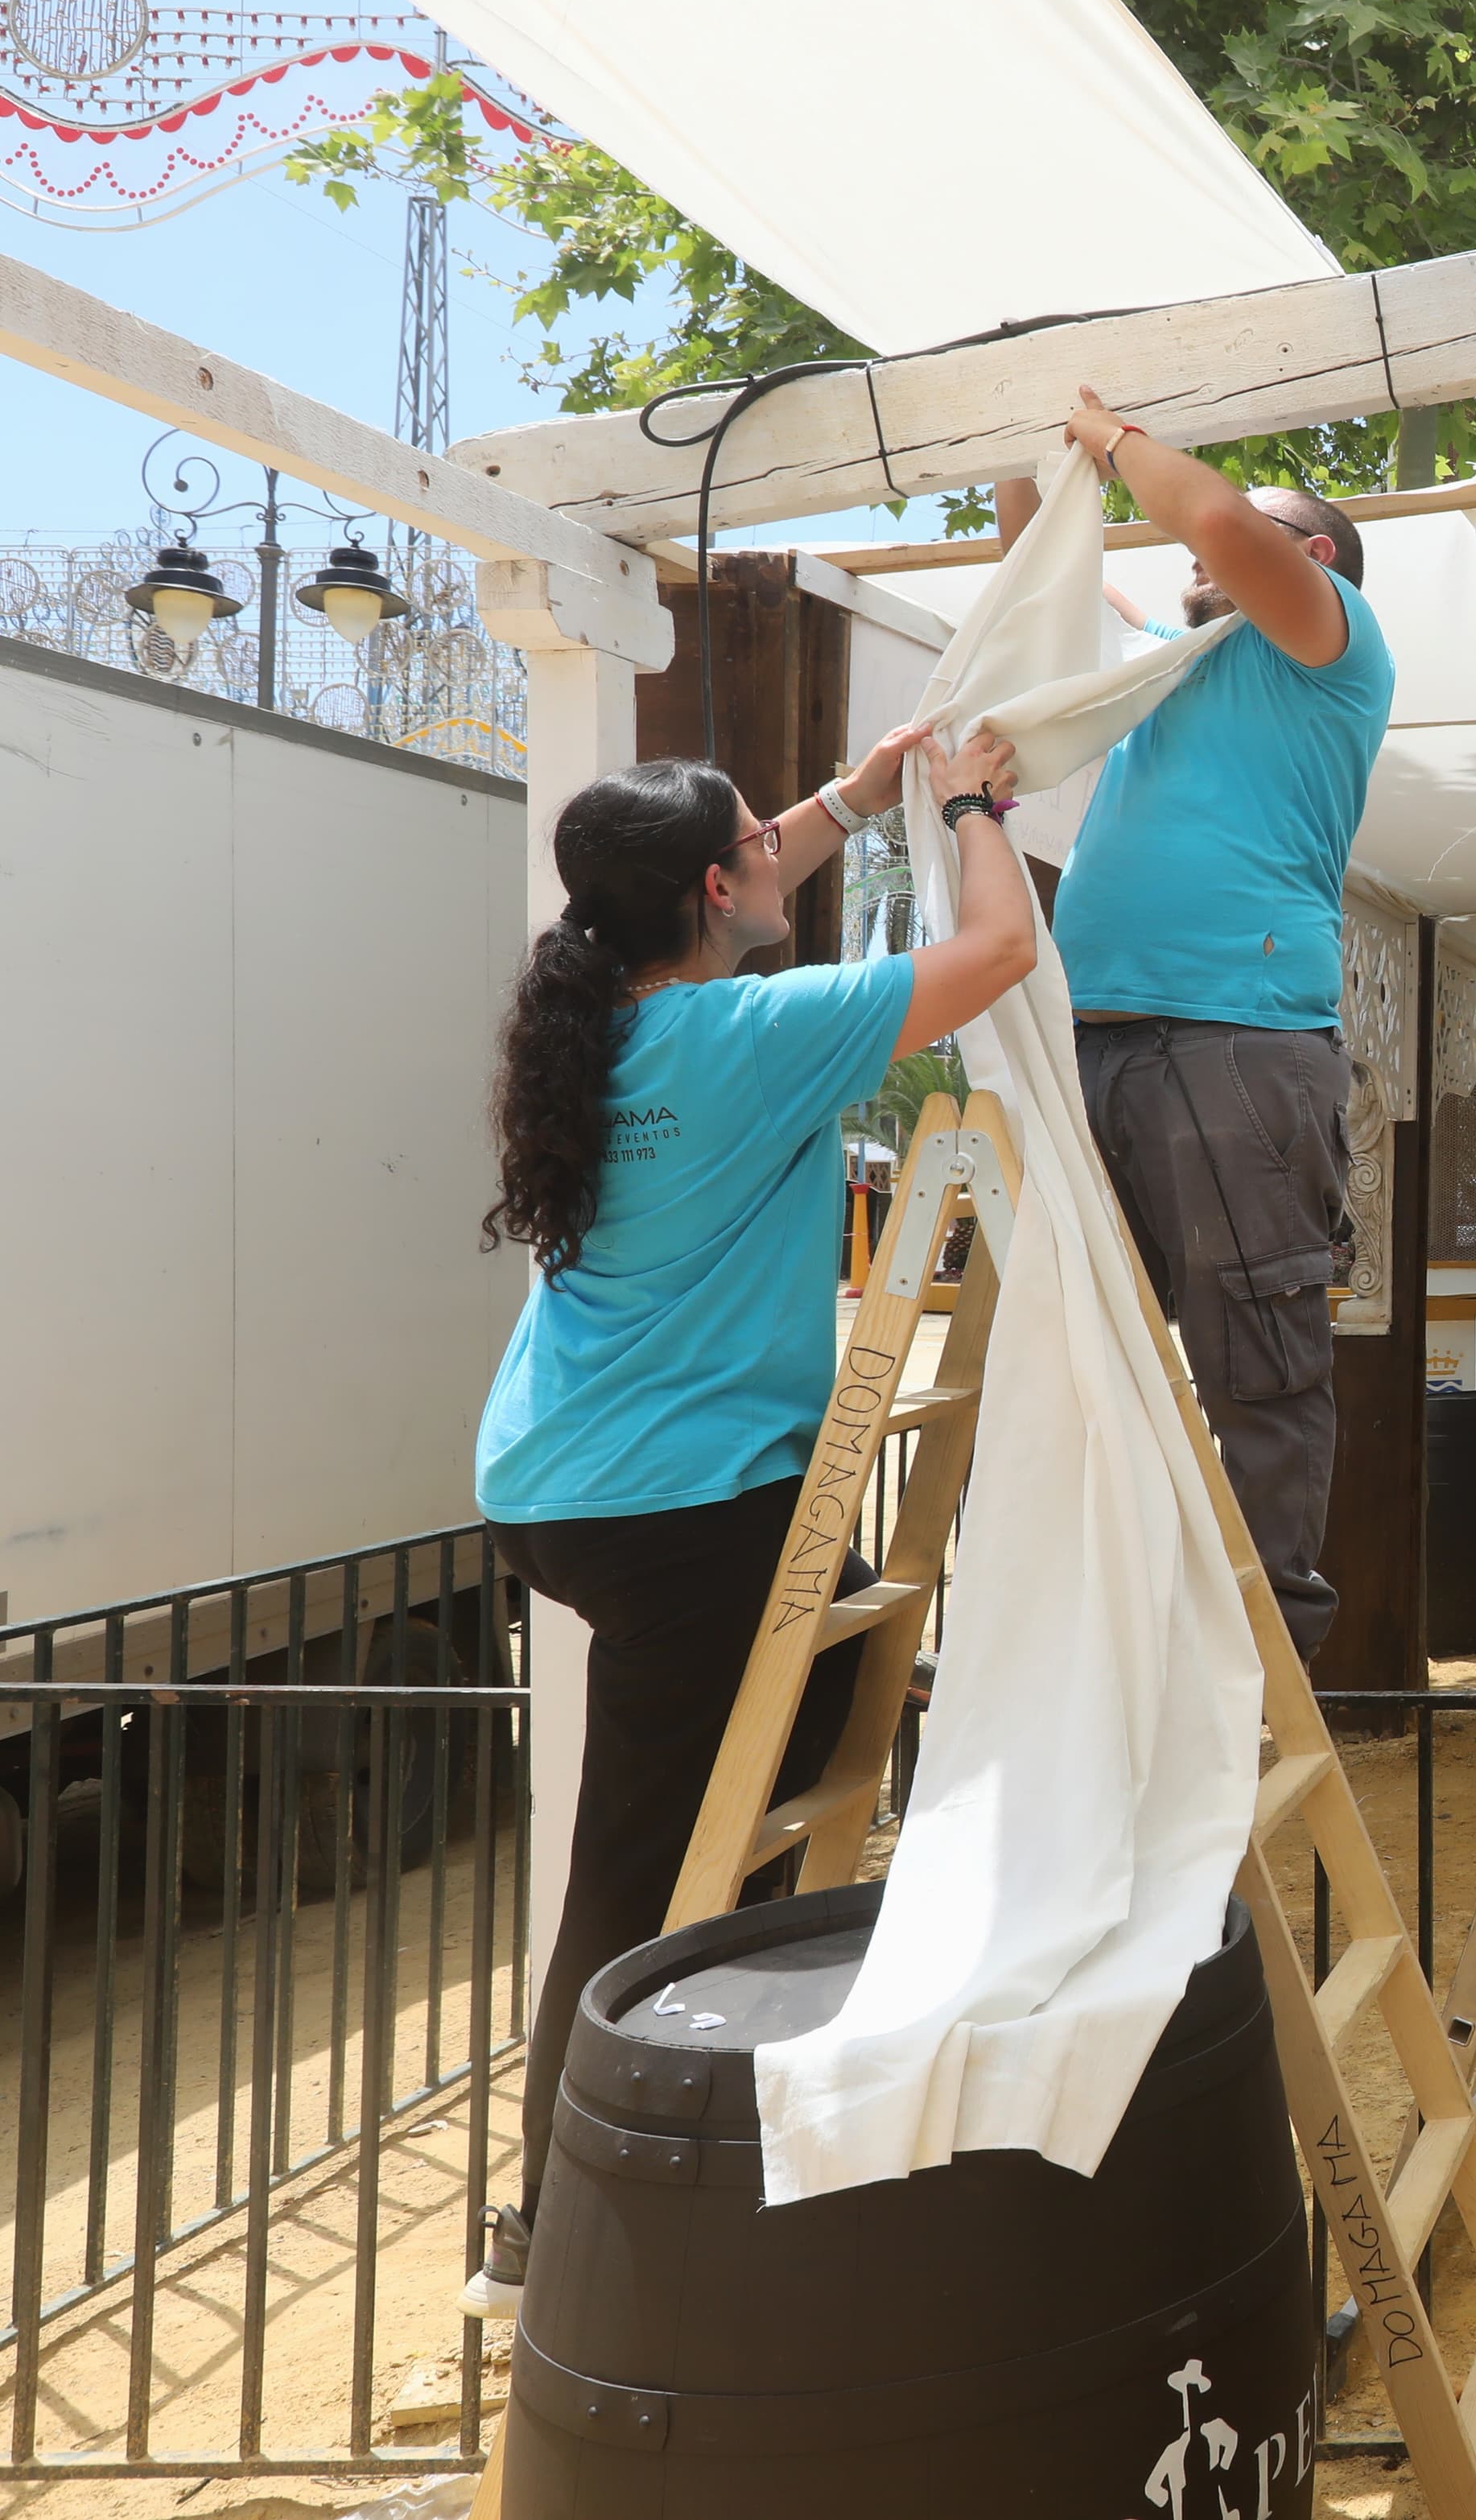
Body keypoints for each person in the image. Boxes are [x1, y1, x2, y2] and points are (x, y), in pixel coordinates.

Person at [460, 721, 1033, 2316]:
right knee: (644, 1866)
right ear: (717, 892)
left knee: (815, 1728)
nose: (788, 847)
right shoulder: (756, 1032)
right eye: (766, 845)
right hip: (676, 1506)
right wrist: (977, 803)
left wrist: (853, 798)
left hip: (570, 1477)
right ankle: (554, 2229)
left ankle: (743, 2113)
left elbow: (729, 855)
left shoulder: (615, 1017)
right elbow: (995, 944)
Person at [992, 394, 1395, 1660]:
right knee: (1090, 1367)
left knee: (1258, 1371)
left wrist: (1109, 432)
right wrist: (1036, 453)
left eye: (1237, 550)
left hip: (1235, 1043)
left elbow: (1213, 512)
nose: (1192, 557)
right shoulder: (1169, 655)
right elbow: (1041, 579)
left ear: (1308, 559)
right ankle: (1114, 1649)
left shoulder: (1335, 647)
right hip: (1103, 1045)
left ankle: (1263, 1662)